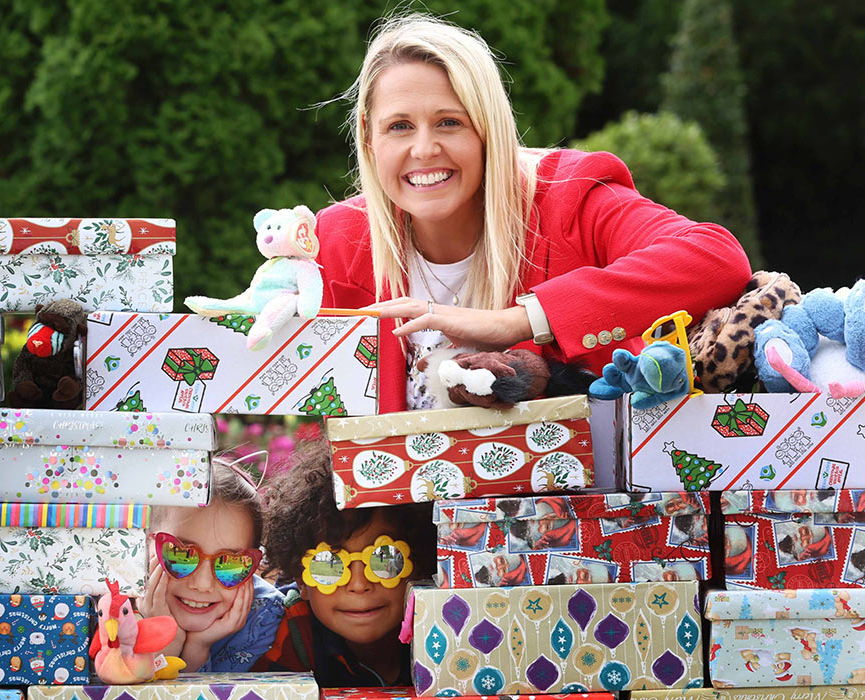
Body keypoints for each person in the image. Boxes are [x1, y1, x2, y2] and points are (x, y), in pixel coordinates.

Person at [314, 14, 752, 412]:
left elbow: (716, 258)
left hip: (578, 476)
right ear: (369, 138)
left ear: (489, 129)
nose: (424, 149)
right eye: (399, 126)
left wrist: (518, 321)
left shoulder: (570, 195)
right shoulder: (333, 241)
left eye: (450, 122)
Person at [252, 439, 436, 686]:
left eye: (385, 557)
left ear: (420, 565)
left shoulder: (442, 624)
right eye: (328, 564)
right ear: (300, 579)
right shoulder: (290, 634)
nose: (359, 585)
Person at [138, 456, 284, 672]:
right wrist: (165, 642)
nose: (203, 584)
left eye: (231, 564)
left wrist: (197, 649)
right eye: (181, 555)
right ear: (143, 544)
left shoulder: (263, 617)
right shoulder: (111, 607)